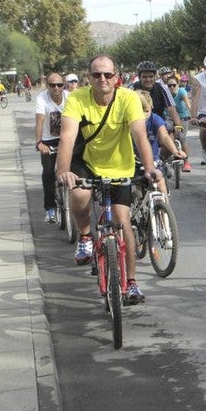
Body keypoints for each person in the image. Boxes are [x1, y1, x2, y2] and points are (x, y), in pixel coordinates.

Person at [55, 55, 163, 305]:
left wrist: (149, 168)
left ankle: (132, 283)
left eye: (108, 75)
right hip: (88, 163)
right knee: (80, 194)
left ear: (117, 77)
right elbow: (68, 137)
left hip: (120, 167)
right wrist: (63, 170)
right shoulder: (78, 98)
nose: (102, 79)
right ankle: (84, 237)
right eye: (96, 75)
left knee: (123, 224)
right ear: (88, 77)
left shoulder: (128, 98)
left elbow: (140, 136)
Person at [34, 73, 69, 223]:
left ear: (64, 84)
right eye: (52, 85)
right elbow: (40, 121)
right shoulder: (42, 98)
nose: (56, 88)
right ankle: (50, 208)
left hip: (67, 139)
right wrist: (39, 143)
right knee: (48, 173)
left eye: (59, 85)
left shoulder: (70, 97)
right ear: (47, 85)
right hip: (49, 140)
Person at [135, 93, 185, 194]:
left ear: (151, 107)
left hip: (154, 160)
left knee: (161, 184)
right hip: (134, 161)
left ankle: (163, 207)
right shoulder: (130, 121)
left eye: (146, 111)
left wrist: (175, 151)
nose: (144, 115)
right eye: (139, 111)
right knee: (137, 189)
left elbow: (165, 136)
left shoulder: (155, 119)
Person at [130, 61, 181, 127]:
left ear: (155, 77)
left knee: (170, 133)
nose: (148, 79)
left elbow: (171, 108)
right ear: (139, 78)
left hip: (159, 123)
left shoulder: (161, 87)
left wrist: (178, 126)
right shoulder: (132, 88)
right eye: (144, 77)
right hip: (138, 123)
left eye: (151, 76)